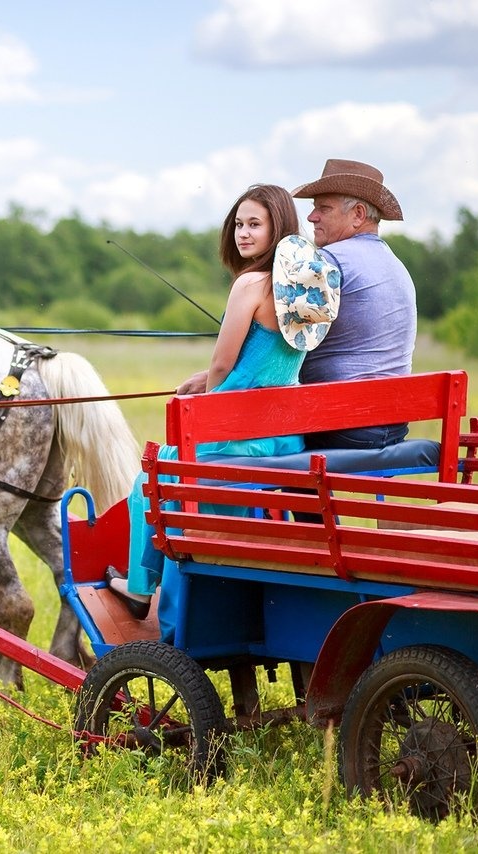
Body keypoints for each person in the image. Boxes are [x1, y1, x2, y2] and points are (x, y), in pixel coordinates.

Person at [108, 184, 340, 617]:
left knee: (148, 483)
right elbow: (269, 364)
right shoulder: (301, 288)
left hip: (239, 433)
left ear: (278, 228)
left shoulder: (249, 283)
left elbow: (221, 364)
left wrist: (211, 390)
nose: (243, 234)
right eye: (238, 224)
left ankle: (140, 589)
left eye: (255, 224)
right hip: (283, 435)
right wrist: (208, 379)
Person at [290, 158, 416, 449]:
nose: (311, 217)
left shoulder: (330, 261)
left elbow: (284, 341)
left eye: (323, 208)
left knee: (259, 443)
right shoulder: (396, 265)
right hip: (395, 425)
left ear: (358, 214)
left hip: (343, 425)